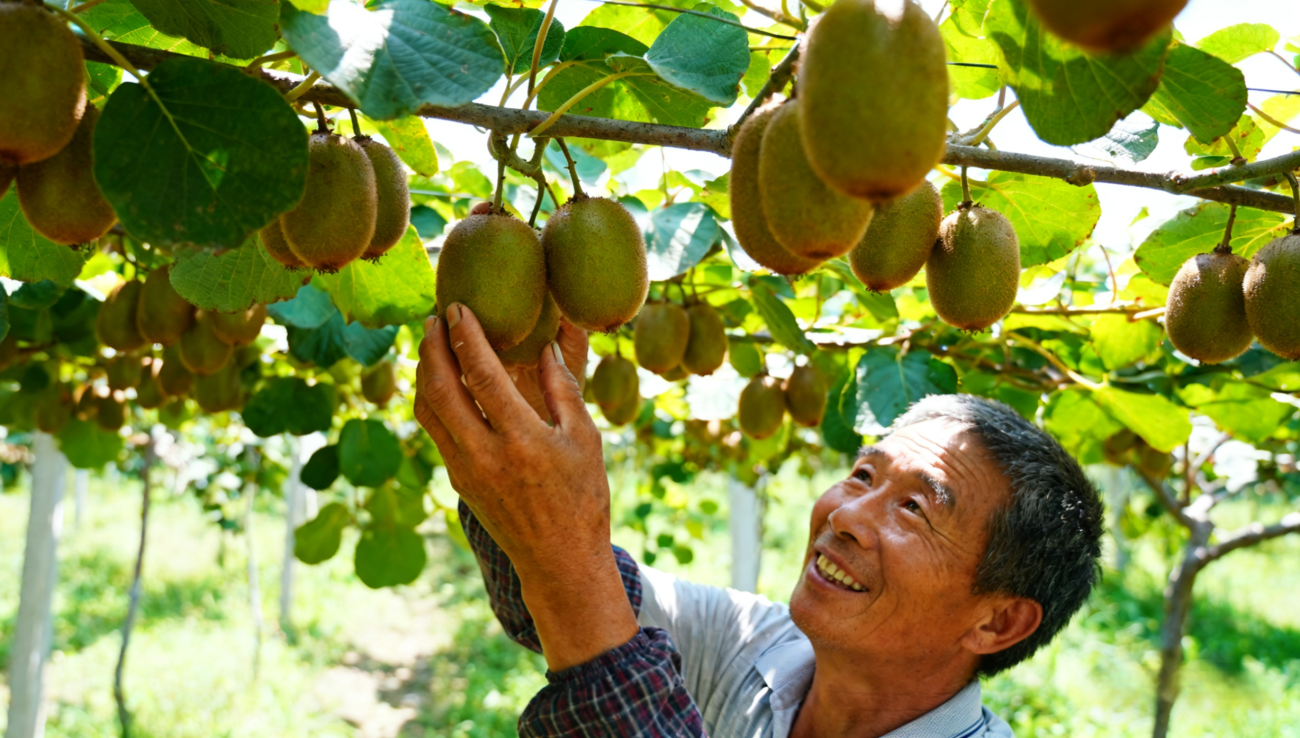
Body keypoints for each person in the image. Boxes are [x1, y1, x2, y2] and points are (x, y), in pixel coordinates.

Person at [414, 303, 1105, 738]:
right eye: (862, 474)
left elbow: (576, 588)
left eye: (914, 508)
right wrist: (517, 418)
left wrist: (564, 550)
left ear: (996, 621)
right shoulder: (761, 646)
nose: (845, 514)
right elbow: (566, 606)